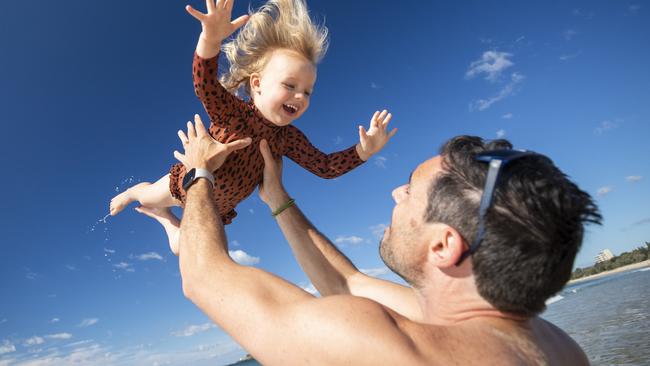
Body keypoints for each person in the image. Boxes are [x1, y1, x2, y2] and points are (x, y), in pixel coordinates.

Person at [173, 117, 601, 365]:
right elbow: (346, 283)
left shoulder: (387, 349)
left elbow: (203, 277)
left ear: (443, 246)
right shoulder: (559, 347)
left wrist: (199, 174)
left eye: (411, 192)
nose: (397, 194)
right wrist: (278, 199)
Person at [109, 0, 396, 254]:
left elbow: (324, 166)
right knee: (147, 196)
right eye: (290, 85)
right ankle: (134, 192)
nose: (300, 96)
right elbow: (204, 84)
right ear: (256, 84)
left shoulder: (289, 139)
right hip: (186, 184)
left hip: (217, 206)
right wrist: (210, 40)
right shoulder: (232, 112)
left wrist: (363, 151)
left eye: (308, 91)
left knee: (183, 249)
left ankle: (164, 218)